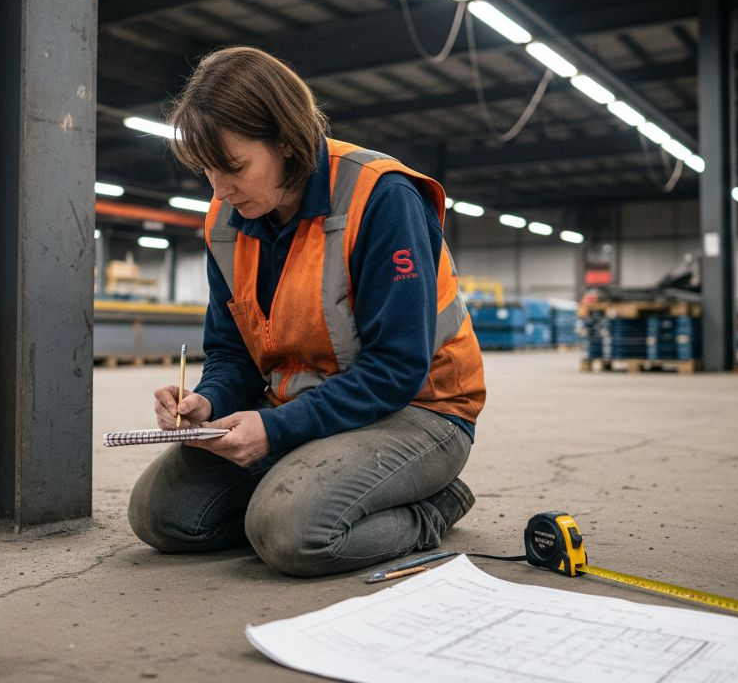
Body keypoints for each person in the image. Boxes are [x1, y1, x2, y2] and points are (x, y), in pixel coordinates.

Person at [127, 46, 486, 577]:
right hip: (300, 409)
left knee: (290, 533)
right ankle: (314, 496)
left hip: (419, 411)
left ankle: (434, 505)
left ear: (286, 140)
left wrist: (276, 430)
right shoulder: (226, 219)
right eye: (207, 170)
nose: (219, 189)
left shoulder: (382, 198)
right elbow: (232, 352)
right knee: (161, 516)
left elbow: (397, 368)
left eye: (233, 167)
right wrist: (208, 400)